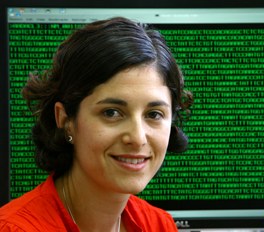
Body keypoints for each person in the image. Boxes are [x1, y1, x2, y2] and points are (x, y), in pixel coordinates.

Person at [0, 17, 193, 231]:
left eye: (154, 114)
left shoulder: (159, 225)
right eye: (111, 113)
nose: (137, 138)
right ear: (65, 120)